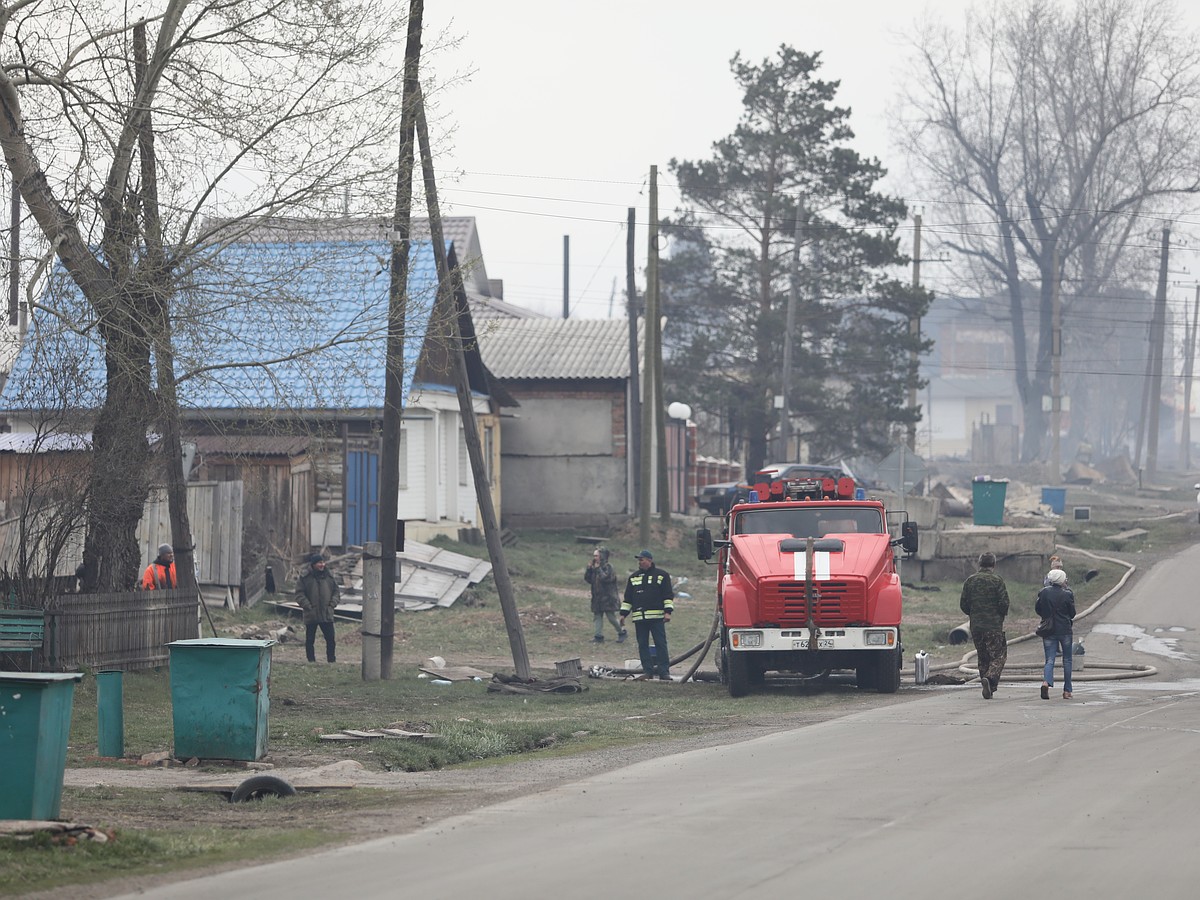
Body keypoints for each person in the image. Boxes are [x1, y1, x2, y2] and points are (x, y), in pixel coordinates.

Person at [959, 551, 1010, 699]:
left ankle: (988, 687)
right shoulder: (997, 581)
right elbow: (1004, 603)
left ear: (979, 564)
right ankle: (990, 678)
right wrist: (999, 615)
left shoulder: (970, 580)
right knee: (999, 655)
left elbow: (963, 604)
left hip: (976, 626)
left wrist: (974, 614)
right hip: (993, 626)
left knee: (983, 657)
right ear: (994, 564)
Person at [620, 549, 674, 681]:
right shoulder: (634, 577)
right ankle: (647, 671)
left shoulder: (662, 575)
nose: (639, 562)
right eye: (639, 560)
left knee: (660, 644)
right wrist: (623, 614)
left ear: (649, 560)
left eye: (642, 559)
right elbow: (628, 599)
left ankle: (664, 672)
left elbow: (668, 595)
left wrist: (668, 612)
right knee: (642, 645)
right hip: (639, 618)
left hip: (656, 618)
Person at [1036, 567, 1077, 699]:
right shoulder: (1068, 594)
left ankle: (1046, 682)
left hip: (1048, 630)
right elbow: (1072, 613)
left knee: (1049, 659)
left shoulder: (1043, 592)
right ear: (1062, 580)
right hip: (1064, 630)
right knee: (1067, 660)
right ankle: (1067, 691)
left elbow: (1038, 609)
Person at [296, 552, 339, 663]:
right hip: (311, 613)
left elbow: (336, 592)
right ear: (313, 564)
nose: (322, 565)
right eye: (319, 563)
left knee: (330, 639)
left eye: (323, 562)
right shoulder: (305, 577)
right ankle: (311, 661)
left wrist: (332, 604)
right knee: (310, 640)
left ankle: (331, 660)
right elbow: (299, 594)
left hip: (326, 613)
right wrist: (308, 606)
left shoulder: (329, 576)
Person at [584, 547, 625, 643]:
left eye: (597, 555)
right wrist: (589, 570)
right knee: (597, 616)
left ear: (602, 556)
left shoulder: (608, 567)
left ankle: (622, 632)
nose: (595, 558)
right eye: (594, 556)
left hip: (608, 597)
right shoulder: (595, 567)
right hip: (597, 597)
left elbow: (606, 579)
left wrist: (598, 569)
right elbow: (589, 580)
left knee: (611, 617)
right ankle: (598, 636)